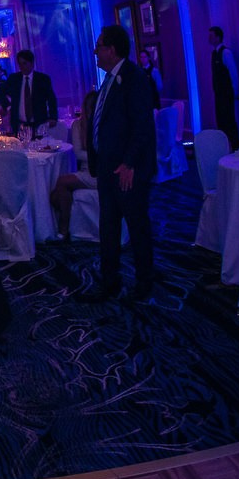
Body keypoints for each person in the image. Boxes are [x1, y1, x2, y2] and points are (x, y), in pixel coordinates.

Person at [81, 24, 156, 302]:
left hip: (126, 171)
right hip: (107, 168)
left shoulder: (134, 78)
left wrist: (129, 164)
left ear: (111, 49)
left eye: (99, 46)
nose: (95, 52)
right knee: (108, 228)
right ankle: (109, 282)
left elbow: (142, 127)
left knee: (137, 227)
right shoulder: (110, 79)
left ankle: (144, 283)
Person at [50, 89, 98, 240]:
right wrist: (100, 157)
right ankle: (66, 227)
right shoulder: (78, 125)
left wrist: (101, 160)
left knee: (61, 184)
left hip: (101, 173)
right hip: (86, 171)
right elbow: (78, 154)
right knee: (54, 194)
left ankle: (64, 228)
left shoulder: (103, 125)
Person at [0, 49, 57, 136]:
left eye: (25, 63)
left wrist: (53, 117)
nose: (22, 67)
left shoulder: (42, 79)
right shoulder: (14, 79)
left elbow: (51, 99)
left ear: (32, 63)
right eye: (20, 64)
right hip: (19, 124)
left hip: (39, 123)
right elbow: (0, 91)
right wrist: (8, 106)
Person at [207, 26, 239, 150]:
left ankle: (235, 147)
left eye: (211, 35)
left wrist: (234, 91)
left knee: (229, 121)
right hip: (219, 94)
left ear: (218, 37)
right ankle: (224, 148)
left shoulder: (225, 53)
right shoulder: (214, 54)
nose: (209, 38)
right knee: (221, 121)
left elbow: (234, 73)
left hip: (226, 94)